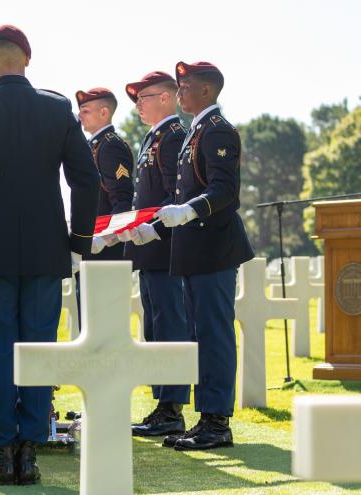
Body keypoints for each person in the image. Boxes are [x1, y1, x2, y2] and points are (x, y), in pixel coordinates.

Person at [0, 25, 99, 485]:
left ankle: (3, 453)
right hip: (48, 251)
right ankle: (30, 452)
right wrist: (78, 245)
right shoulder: (56, 107)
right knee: (38, 349)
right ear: (27, 60)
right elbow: (85, 180)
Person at [128, 61, 254, 450]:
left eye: (185, 87)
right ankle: (203, 418)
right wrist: (161, 225)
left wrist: (189, 210)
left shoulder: (218, 131)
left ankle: (217, 423)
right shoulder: (196, 131)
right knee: (199, 335)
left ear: (206, 91)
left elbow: (225, 191)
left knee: (213, 335)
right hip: (194, 251)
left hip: (213, 249)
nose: (179, 93)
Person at [122, 71, 192, 437]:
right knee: (155, 327)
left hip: (165, 250)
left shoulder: (174, 137)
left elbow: (175, 196)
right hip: (149, 252)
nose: (138, 105)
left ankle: (172, 408)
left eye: (143, 97)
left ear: (166, 98)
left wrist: (156, 229)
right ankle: (162, 404)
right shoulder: (156, 137)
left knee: (170, 328)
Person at [74, 88, 134, 329]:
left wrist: (106, 237)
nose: (80, 116)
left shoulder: (110, 146)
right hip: (91, 248)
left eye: (86, 111)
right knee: (89, 324)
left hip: (104, 252)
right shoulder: (94, 145)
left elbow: (121, 198)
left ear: (104, 112)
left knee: (103, 326)